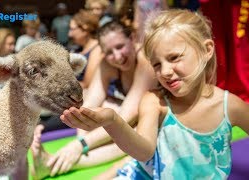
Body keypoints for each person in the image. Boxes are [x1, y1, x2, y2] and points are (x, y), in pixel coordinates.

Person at [60, 9, 249, 179]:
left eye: (174, 58)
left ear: (206, 50)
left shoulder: (230, 106)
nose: (165, 71)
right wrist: (112, 121)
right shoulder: (156, 101)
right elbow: (143, 152)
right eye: (157, 64)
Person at [32, 20, 155, 178]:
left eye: (120, 46)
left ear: (132, 38)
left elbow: (127, 116)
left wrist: (81, 145)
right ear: (103, 52)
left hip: (150, 118)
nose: (117, 56)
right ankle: (56, 162)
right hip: (126, 115)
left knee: (132, 133)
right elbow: (88, 105)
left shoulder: (144, 62)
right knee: (101, 102)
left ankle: (51, 164)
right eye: (109, 52)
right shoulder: (107, 64)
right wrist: (80, 142)